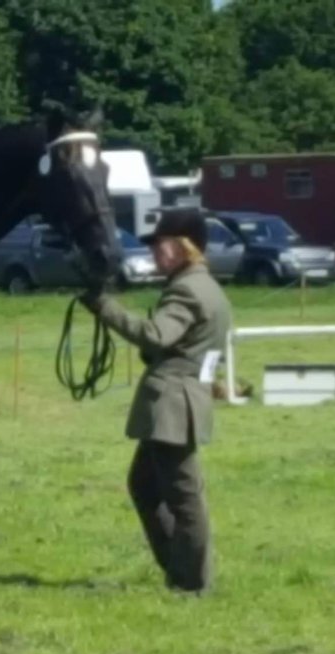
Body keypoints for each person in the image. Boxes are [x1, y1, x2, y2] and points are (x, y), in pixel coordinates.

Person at [81, 208, 232, 593]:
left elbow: (156, 334)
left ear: (183, 248)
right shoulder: (209, 287)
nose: (153, 252)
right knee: (145, 486)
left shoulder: (186, 290)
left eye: (159, 245)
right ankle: (179, 570)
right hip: (184, 398)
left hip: (172, 404)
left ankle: (191, 582)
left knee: (184, 496)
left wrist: (103, 305)